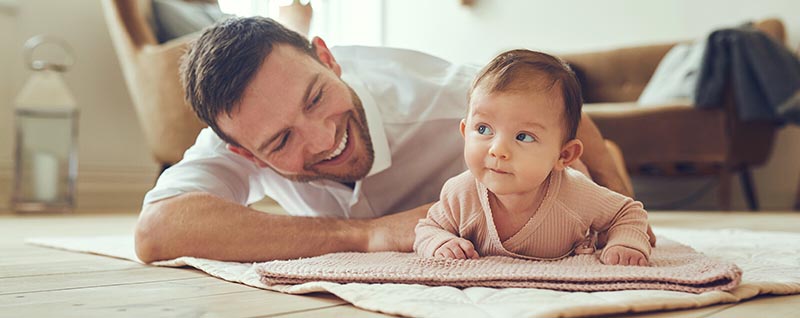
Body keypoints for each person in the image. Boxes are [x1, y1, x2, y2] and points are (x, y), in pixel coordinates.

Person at [134, 16, 653, 263]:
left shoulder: (446, 99)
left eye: (316, 97)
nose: (323, 138)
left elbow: (560, 114)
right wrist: (364, 235)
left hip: (539, 181)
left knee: (577, 186)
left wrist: (616, 188)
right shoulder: (239, 131)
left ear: (328, 59)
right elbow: (157, 231)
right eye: (282, 140)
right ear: (245, 153)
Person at [413, 50, 650, 265]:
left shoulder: (577, 194)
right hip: (555, 166)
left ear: (564, 154)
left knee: (591, 186)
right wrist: (440, 242)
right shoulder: (460, 193)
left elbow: (627, 212)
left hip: (572, 176)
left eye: (523, 136)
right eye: (484, 129)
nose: (497, 150)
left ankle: (606, 156)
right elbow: (427, 228)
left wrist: (625, 243)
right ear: (465, 132)